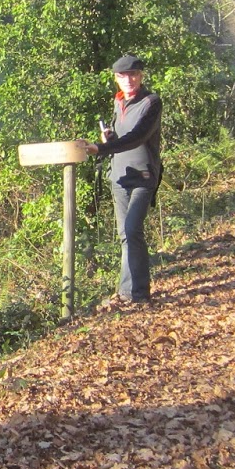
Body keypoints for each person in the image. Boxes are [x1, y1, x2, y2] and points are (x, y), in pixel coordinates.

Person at [84, 54, 162, 305]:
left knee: (132, 229)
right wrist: (110, 137)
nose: (128, 80)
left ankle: (140, 293)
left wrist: (101, 148)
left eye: (133, 75)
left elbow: (138, 137)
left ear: (140, 76)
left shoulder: (151, 102)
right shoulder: (119, 102)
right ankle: (126, 292)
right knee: (125, 235)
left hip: (143, 176)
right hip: (119, 176)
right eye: (122, 76)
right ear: (116, 79)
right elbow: (122, 137)